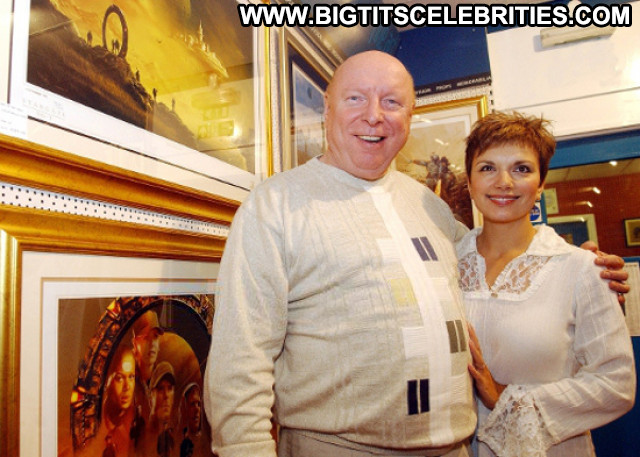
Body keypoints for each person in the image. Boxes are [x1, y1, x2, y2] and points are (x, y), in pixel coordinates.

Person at [203, 51, 629, 457]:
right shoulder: (274, 205)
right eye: (356, 98)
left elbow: (493, 251)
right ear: (327, 107)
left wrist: (577, 266)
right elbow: (240, 359)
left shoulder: (428, 205)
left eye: (392, 102)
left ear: (409, 118)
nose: (374, 115)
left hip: (457, 446)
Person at [458, 111, 636, 457]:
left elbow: (616, 383)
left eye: (521, 169)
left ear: (541, 184)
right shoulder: (443, 266)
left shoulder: (582, 268)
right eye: (487, 167)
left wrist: (508, 399)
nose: (504, 182)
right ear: (469, 181)